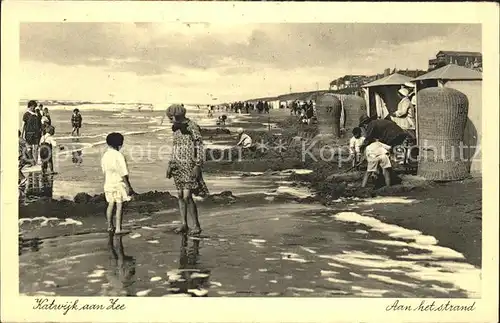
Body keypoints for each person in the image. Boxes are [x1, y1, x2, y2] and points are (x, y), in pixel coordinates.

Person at [165, 104, 208, 236]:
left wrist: (198, 165)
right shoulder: (176, 128)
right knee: (179, 195)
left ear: (177, 116)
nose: (169, 120)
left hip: (190, 165)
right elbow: (175, 147)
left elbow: (199, 146)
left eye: (171, 118)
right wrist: (170, 165)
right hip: (177, 165)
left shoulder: (192, 126)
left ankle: (196, 225)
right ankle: (184, 224)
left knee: (187, 196)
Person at [101, 132, 137, 234]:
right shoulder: (119, 155)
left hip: (108, 183)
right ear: (119, 144)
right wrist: (129, 187)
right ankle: (118, 228)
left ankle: (109, 226)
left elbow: (104, 170)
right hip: (118, 183)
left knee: (110, 204)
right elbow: (123, 173)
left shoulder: (105, 155)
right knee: (119, 205)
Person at [21, 100, 42, 165]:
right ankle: (31, 162)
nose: (34, 108)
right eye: (32, 106)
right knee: (29, 148)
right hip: (29, 134)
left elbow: (40, 123)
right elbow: (23, 125)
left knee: (36, 148)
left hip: (37, 134)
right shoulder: (26, 114)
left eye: (34, 106)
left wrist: (41, 132)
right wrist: (21, 135)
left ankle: (35, 163)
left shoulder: (37, 114)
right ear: (29, 106)